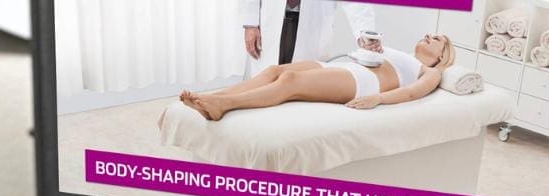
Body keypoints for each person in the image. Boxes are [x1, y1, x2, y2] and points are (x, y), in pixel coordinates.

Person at [181, 32, 455, 120]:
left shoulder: (431, 72)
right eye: (428, 34)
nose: (428, 37)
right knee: (275, 70)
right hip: (348, 67)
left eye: (437, 39)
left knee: (290, 83)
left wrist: (378, 99)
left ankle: (222, 106)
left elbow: (411, 93)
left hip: (362, 82)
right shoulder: (397, 51)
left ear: (443, 55)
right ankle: (214, 96)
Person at [240, 0, 381, 68]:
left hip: (313, 24)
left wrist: (365, 33)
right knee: (265, 85)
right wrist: (250, 23)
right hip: (271, 19)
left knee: (300, 88)